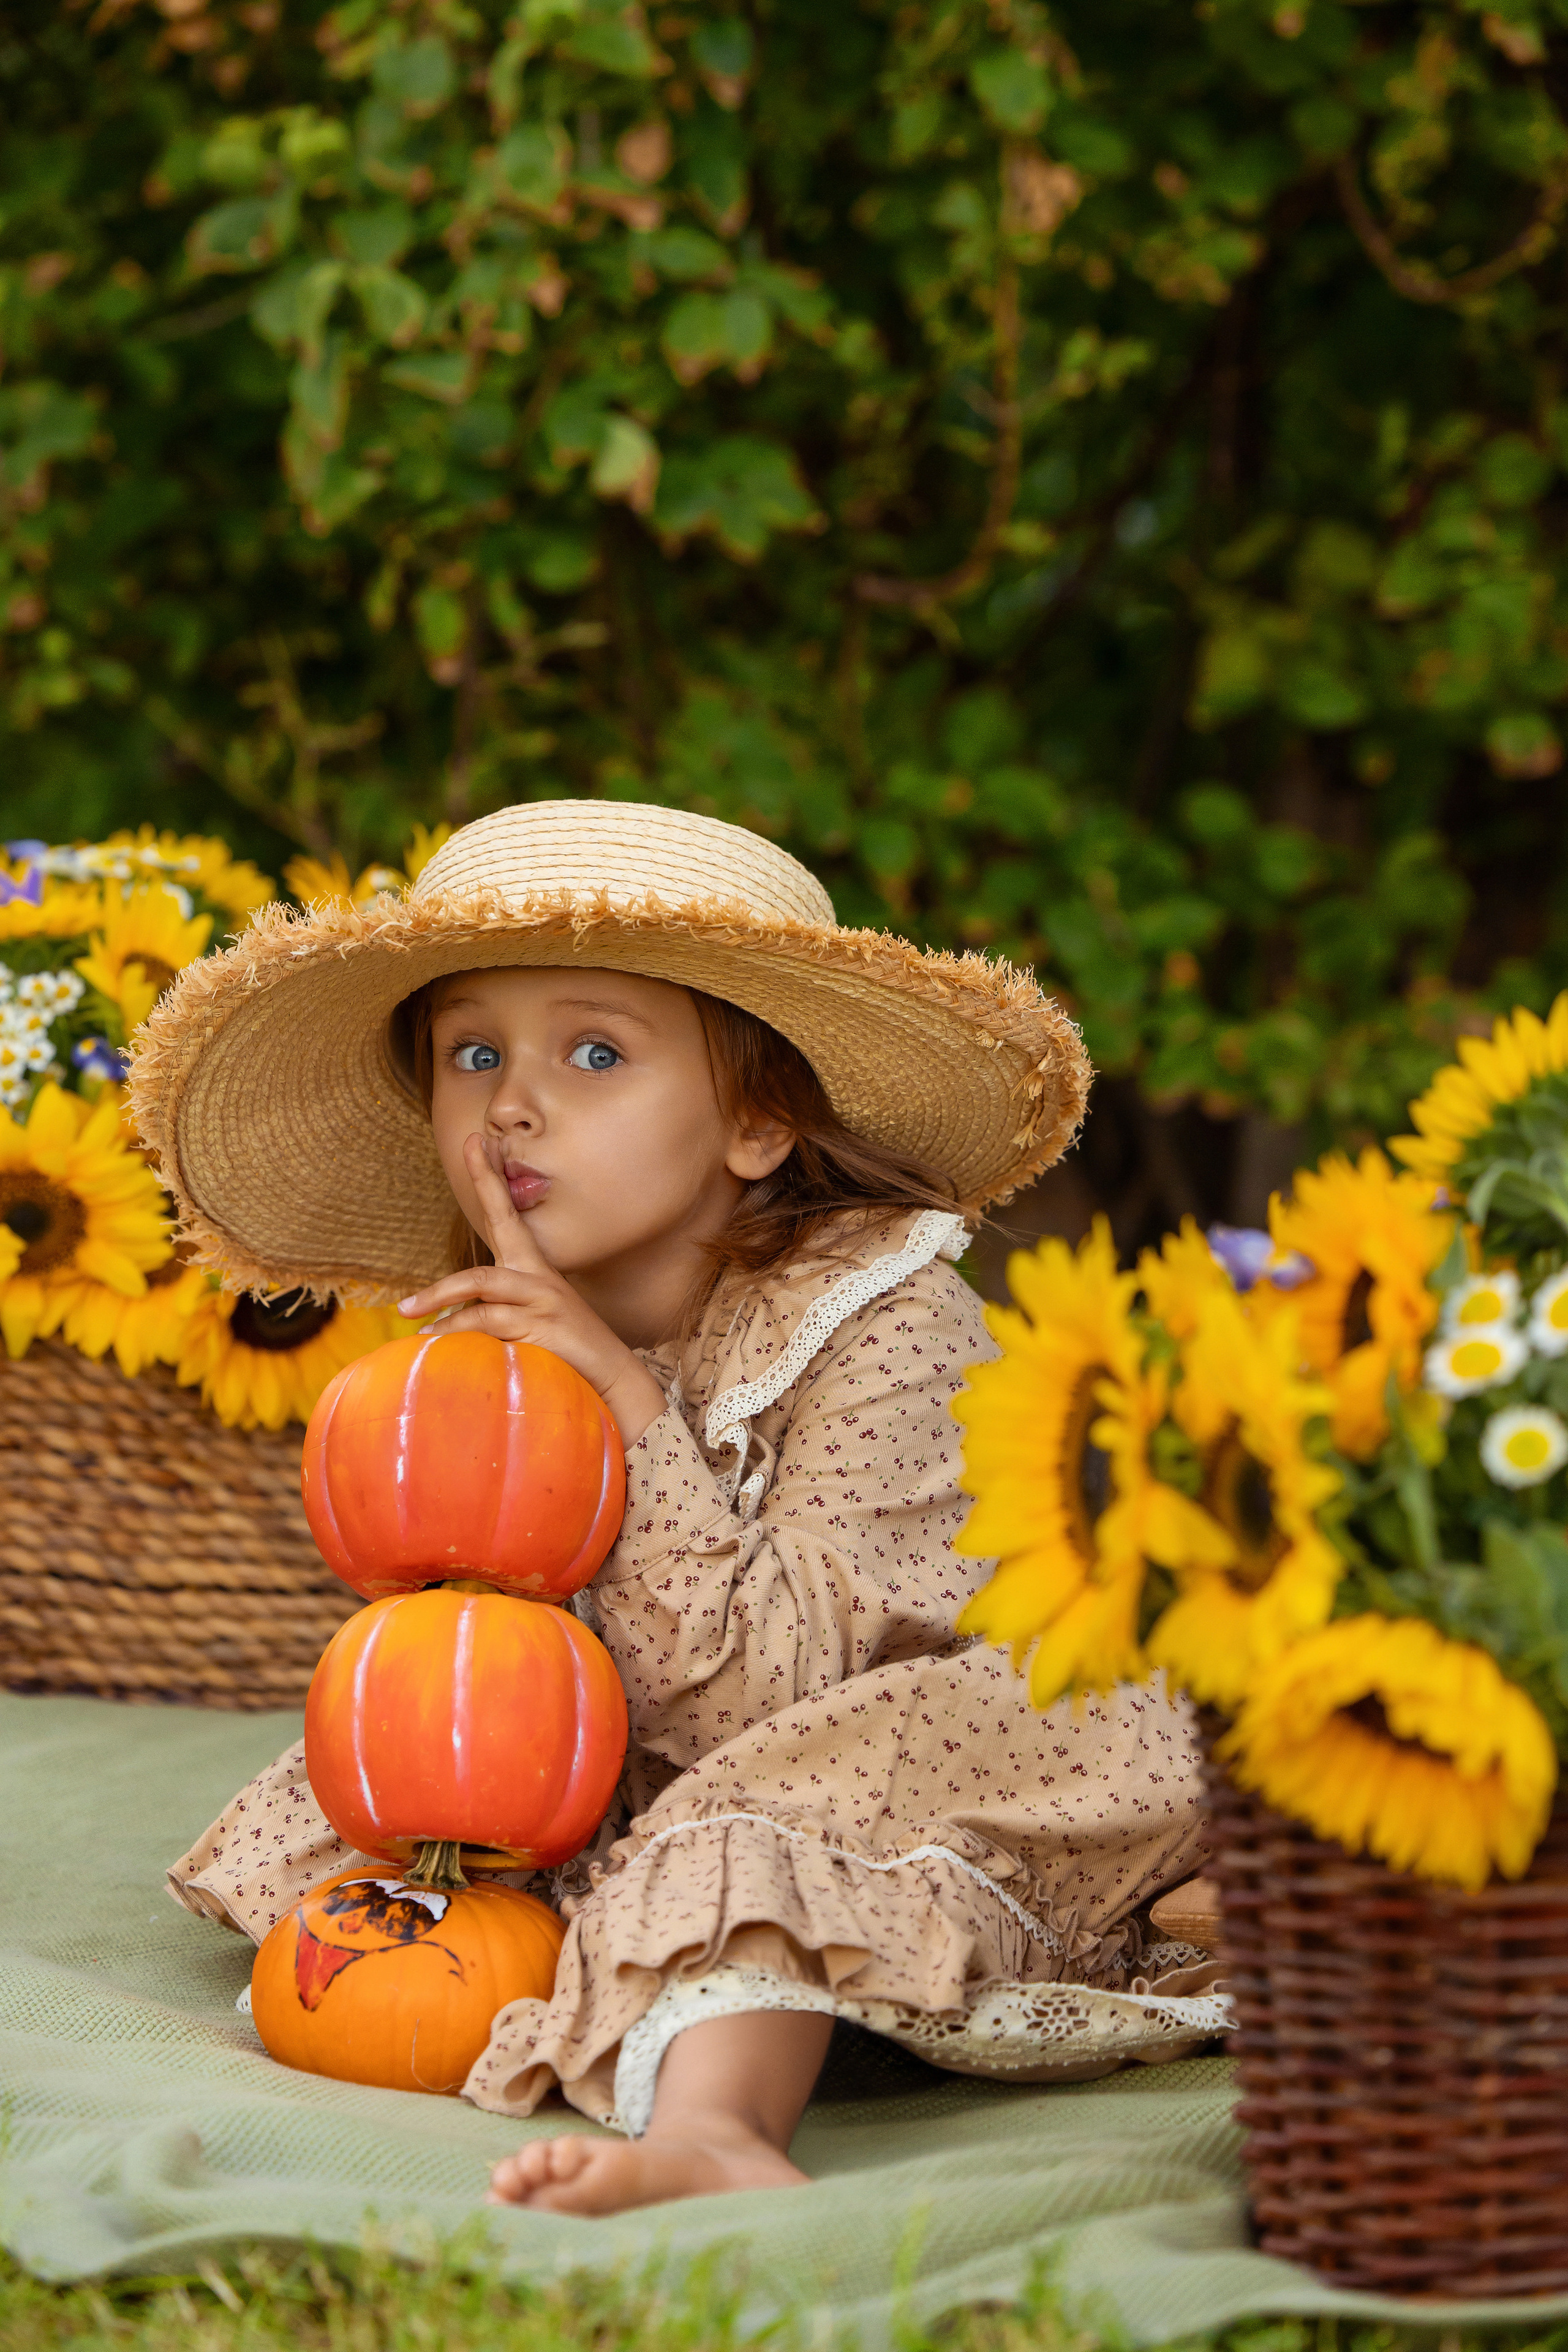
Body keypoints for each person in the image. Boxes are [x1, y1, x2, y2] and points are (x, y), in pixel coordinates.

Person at [132, 800, 1225, 2218]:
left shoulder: (887, 1318)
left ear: (758, 1124)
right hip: (653, 1743)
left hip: (907, 1740)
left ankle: (713, 2127)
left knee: (746, 1834)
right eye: (473, 1054)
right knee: (413, 1846)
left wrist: (619, 1401)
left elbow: (775, 1685)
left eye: (593, 1053)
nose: (509, 1104)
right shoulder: (507, 1352)